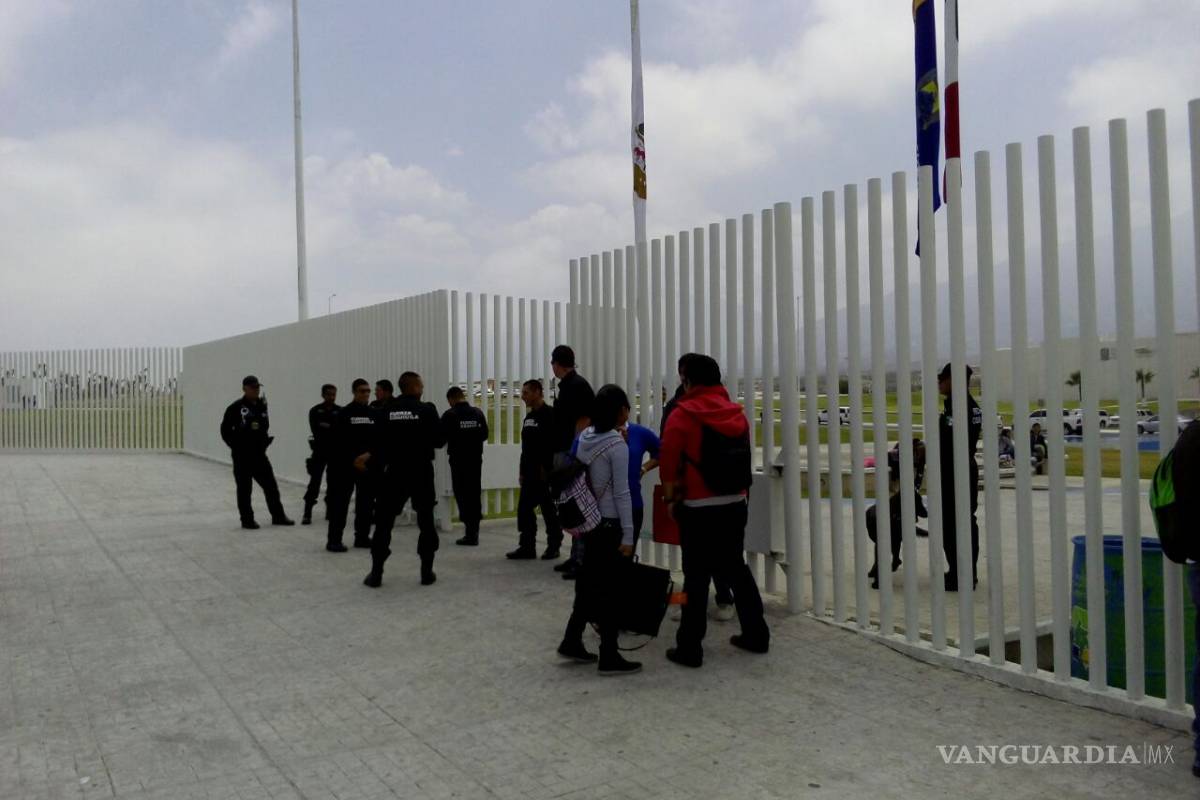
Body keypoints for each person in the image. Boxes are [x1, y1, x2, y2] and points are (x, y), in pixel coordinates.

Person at [660, 353, 769, 668]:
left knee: (695, 578)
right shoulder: (737, 413)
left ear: (686, 378)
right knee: (737, 569)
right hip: (735, 504)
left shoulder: (682, 415)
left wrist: (671, 500)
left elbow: (669, 463)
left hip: (697, 507)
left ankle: (690, 648)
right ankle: (756, 634)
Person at [557, 384, 642, 676]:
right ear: (621, 411)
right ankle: (609, 655)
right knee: (612, 590)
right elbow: (622, 494)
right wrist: (629, 535)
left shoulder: (585, 438)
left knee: (588, 583)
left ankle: (571, 638)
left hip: (588, 522)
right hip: (609, 524)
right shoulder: (617, 446)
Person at [360, 371, 446, 588]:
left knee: (384, 523)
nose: (423, 388)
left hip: (395, 472)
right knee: (426, 521)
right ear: (415, 387)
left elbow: (376, 444)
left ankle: (376, 573)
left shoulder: (386, 411)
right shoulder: (427, 410)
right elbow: (439, 441)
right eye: (421, 385)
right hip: (421, 472)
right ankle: (426, 572)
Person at [661, 383, 735, 621]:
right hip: (721, 494)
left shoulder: (679, 409)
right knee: (711, 557)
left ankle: (701, 605)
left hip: (696, 495)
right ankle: (716, 601)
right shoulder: (726, 409)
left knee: (695, 559)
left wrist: (671, 496)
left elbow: (668, 453)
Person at [219, 375, 294, 529]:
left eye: (258, 387)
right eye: (253, 388)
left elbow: (263, 426)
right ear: (244, 389)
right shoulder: (236, 408)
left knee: (271, 486)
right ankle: (247, 520)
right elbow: (225, 430)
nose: (256, 390)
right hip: (242, 456)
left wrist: (264, 440)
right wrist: (236, 446)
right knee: (245, 489)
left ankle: (278, 516)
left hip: (259, 455)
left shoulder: (261, 405)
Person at [549, 345, 595, 579]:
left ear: (558, 363)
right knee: (569, 506)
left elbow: (584, 419)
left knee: (578, 506)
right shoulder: (570, 386)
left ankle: (581, 559)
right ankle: (575, 555)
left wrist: (575, 452)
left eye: (552, 363)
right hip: (565, 450)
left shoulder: (576, 386)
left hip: (572, 453)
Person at [937, 362, 982, 592]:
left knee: (954, 524)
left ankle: (960, 573)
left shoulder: (960, 408)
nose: (939, 382)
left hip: (956, 471)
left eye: (942, 378)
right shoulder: (970, 406)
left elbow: (949, 440)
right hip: (964, 468)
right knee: (965, 521)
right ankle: (965, 572)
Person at [508, 379, 563, 560]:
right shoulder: (529, 418)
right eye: (522, 393)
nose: (523, 396)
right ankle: (527, 546)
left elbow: (553, 445)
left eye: (526, 393)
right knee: (524, 510)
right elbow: (526, 447)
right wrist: (522, 471)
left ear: (537, 392)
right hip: (529, 471)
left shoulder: (551, 415)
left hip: (545, 473)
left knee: (548, 511)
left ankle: (553, 546)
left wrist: (547, 469)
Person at [866, 439, 928, 589]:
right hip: (883, 514)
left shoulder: (920, 458)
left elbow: (919, 474)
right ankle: (881, 569)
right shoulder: (899, 453)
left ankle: (894, 560)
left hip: (897, 509)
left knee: (895, 533)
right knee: (885, 540)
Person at [325, 379, 378, 552]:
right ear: (354, 392)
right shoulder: (343, 413)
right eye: (362, 391)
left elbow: (379, 440)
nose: (366, 394)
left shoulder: (373, 414)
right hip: (345, 467)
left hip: (367, 467)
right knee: (340, 504)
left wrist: (367, 456)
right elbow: (337, 442)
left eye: (368, 391)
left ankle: (362, 537)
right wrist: (354, 460)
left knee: (366, 505)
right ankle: (334, 540)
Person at [442, 385, 489, 546]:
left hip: (458, 461)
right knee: (474, 494)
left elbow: (441, 439)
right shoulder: (477, 413)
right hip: (475, 460)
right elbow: (484, 434)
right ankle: (474, 531)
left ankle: (469, 532)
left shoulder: (450, 415)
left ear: (451, 399)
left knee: (462, 494)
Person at [302, 384, 339, 524]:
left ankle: (330, 511)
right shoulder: (315, 411)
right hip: (319, 451)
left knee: (333, 483)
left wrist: (328, 427)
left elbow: (340, 431)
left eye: (334, 394)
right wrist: (332, 429)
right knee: (314, 482)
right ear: (323, 395)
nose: (332, 397)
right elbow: (317, 430)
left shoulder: (340, 411)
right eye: (329, 394)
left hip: (335, 453)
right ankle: (307, 513)